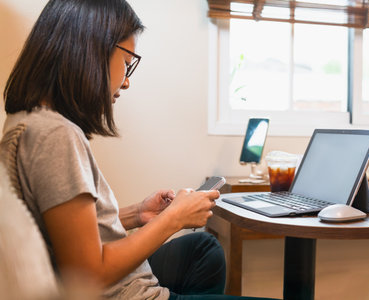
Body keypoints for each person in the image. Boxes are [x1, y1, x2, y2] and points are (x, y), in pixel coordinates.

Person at [2, 1, 275, 299]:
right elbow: (87, 274)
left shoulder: (25, 123)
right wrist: (174, 220)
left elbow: (65, 235)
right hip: (123, 293)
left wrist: (137, 214)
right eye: (127, 61)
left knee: (204, 249)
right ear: (91, 51)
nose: (127, 80)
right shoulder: (56, 136)